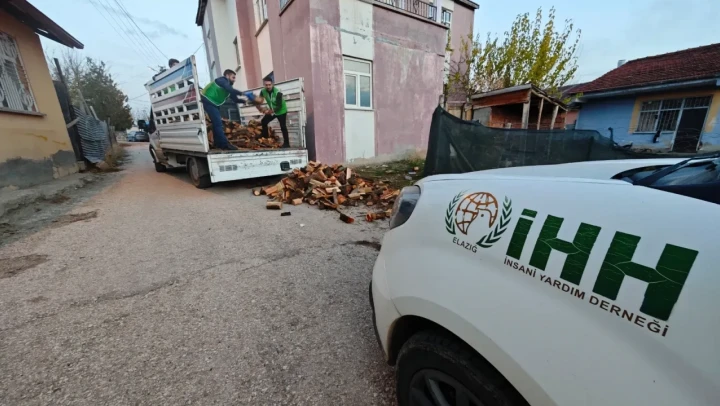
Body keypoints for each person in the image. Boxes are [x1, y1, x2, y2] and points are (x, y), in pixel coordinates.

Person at [201, 69, 256, 150]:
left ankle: (218, 143)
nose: (234, 80)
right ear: (227, 76)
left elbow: (235, 99)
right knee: (218, 123)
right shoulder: (222, 80)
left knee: (216, 123)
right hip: (207, 100)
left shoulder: (229, 87)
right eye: (233, 77)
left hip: (214, 103)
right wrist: (243, 93)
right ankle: (224, 145)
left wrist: (245, 101)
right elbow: (230, 89)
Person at [258, 76, 289, 148]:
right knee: (264, 121)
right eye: (266, 85)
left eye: (269, 85)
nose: (268, 86)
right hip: (272, 110)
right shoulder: (263, 91)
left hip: (281, 111)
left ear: (272, 84)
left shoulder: (278, 92)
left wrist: (270, 111)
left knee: (283, 126)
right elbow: (260, 100)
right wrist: (260, 107)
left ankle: (287, 143)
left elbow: (279, 106)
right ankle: (265, 135)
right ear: (264, 85)